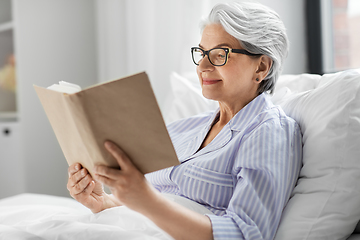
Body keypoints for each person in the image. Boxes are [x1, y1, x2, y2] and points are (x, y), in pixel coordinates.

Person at [67, 2, 302, 240]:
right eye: (201, 53)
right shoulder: (183, 129)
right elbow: (150, 208)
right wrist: (102, 201)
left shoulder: (269, 132)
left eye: (220, 55)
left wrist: (146, 200)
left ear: (261, 67)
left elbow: (245, 234)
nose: (202, 66)